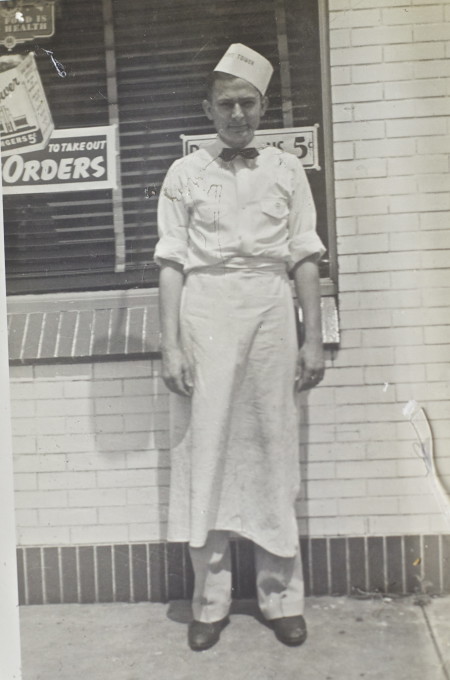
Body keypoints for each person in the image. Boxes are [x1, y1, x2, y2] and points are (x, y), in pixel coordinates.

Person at [154, 43, 325, 651]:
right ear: (208, 109)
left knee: (273, 447)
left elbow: (305, 255)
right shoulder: (184, 175)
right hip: (205, 313)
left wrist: (313, 339)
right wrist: (171, 345)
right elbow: (171, 263)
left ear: (263, 107)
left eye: (246, 103)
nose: (236, 114)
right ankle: (211, 600)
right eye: (224, 103)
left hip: (271, 313)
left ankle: (282, 598)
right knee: (208, 452)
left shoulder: (286, 170)